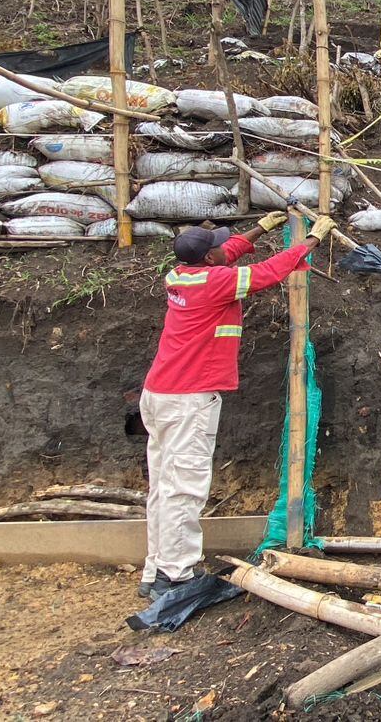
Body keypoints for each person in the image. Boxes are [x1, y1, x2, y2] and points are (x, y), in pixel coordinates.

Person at [138, 210, 338, 600]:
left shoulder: (180, 275)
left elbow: (226, 253)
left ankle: (157, 568)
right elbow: (268, 272)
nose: (221, 250)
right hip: (188, 401)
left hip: (160, 395)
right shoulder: (216, 284)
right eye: (216, 249)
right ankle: (177, 576)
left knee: (163, 487)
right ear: (208, 260)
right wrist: (311, 241)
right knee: (183, 489)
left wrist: (259, 229)